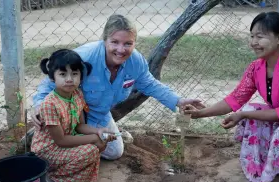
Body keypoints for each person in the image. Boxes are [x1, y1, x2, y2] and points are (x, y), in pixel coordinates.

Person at [31, 14, 202, 160]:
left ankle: (78, 143)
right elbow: (50, 79)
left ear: (134, 43)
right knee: (67, 144)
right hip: (69, 112)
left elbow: (149, 83)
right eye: (115, 42)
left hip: (97, 113)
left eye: (128, 43)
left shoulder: (136, 61)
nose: (121, 50)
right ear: (104, 40)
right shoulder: (85, 56)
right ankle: (49, 142)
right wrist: (39, 104)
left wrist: (179, 101)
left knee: (114, 152)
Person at [184, 11, 279, 182]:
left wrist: (243, 115)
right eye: (251, 36)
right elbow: (234, 99)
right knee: (251, 110)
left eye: (260, 36)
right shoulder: (256, 67)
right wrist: (200, 113)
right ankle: (273, 161)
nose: (253, 43)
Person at [30, 49, 117, 182]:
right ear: (52, 78)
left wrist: (98, 132)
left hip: (65, 141)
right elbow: (60, 141)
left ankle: (66, 173)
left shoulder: (77, 94)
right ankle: (52, 178)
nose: (69, 79)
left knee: (100, 144)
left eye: (75, 74)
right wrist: (93, 139)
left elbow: (79, 126)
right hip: (48, 149)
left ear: (81, 76)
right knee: (91, 149)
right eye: (63, 74)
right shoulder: (50, 104)